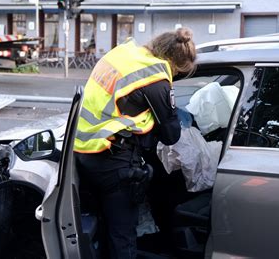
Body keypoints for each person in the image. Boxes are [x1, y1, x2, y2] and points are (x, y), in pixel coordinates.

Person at [74, 27, 197, 258]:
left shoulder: (124, 53)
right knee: (123, 236)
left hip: (85, 150)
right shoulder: (156, 76)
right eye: (178, 74)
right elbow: (171, 135)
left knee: (102, 227)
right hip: (115, 162)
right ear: (174, 65)